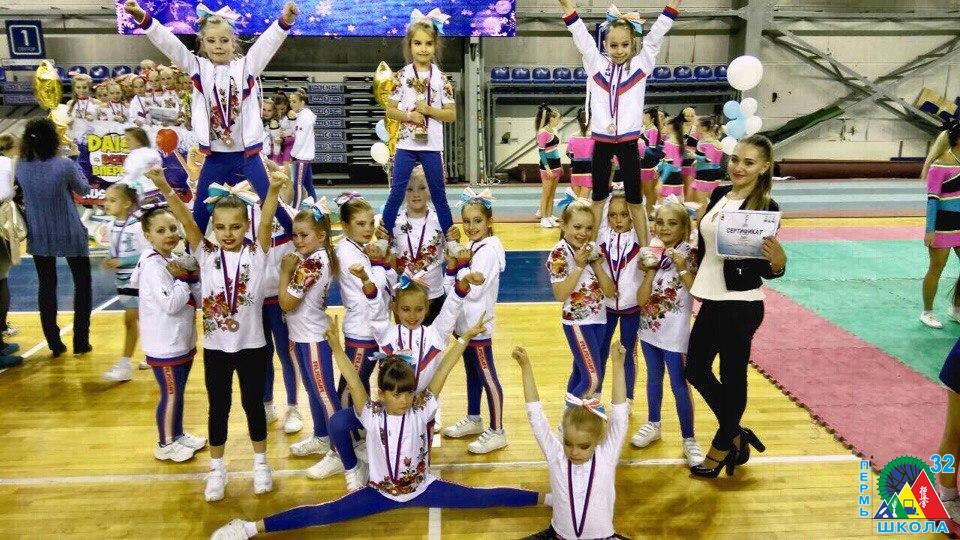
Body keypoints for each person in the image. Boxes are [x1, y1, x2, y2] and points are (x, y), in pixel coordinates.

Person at [210, 314, 543, 539]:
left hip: (424, 488)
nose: (403, 399)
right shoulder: (371, 413)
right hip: (378, 493)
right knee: (323, 514)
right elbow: (354, 382)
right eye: (395, 394)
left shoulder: (422, 408)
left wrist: (465, 338)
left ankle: (551, 498)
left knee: (484, 498)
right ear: (381, 393)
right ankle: (248, 528)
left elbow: (442, 372)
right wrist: (336, 348)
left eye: (408, 392)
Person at [147, 166, 284, 501]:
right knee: (218, 408)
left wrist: (273, 190)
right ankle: (217, 470)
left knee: (253, 406)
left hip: (253, 345)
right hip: (217, 349)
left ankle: (261, 464)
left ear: (246, 226)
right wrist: (163, 184)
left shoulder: (256, 252)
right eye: (220, 227)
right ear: (213, 227)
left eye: (235, 226)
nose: (227, 233)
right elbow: (186, 219)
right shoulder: (205, 253)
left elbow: (267, 221)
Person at [122, 0, 297, 234]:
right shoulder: (198, 68)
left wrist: (284, 22)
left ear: (233, 42)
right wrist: (143, 18)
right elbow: (170, 45)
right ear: (202, 43)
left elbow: (266, 44)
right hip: (215, 157)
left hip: (248, 156)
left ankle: (297, 239)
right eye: (211, 41)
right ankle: (192, 253)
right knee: (200, 213)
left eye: (224, 40)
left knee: (271, 202)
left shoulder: (246, 67)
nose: (218, 46)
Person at [684, 134, 787, 477]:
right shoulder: (718, 194)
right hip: (713, 298)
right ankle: (736, 434)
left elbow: (766, 267)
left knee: (732, 377)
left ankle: (722, 445)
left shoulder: (766, 207)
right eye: (736, 159)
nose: (739, 167)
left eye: (749, 162)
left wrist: (779, 263)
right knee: (695, 369)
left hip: (741, 304)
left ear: (764, 167)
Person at [557, 0, 681, 234]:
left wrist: (673, 6)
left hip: (629, 143)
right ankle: (592, 244)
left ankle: (644, 247)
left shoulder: (641, 65)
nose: (619, 50)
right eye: (613, 45)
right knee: (598, 197)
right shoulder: (595, 63)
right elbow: (581, 36)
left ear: (633, 44)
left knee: (635, 199)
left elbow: (655, 36)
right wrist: (567, 7)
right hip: (602, 143)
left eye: (625, 44)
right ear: (605, 44)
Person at [514, 344, 629, 540]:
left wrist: (618, 365)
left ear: (597, 440)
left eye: (583, 446)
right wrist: (526, 367)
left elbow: (619, 417)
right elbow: (536, 417)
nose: (574, 452)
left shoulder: (606, 456)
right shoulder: (556, 456)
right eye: (568, 443)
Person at [132, 206, 207, 462]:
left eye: (173, 228)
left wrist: (191, 277)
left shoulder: (171, 260)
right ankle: (165, 444)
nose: (169, 234)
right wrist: (183, 279)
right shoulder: (153, 267)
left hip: (181, 340)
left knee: (178, 393)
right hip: (165, 345)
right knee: (171, 394)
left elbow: (197, 299)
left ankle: (177, 434)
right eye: (161, 230)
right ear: (148, 235)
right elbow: (172, 304)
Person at [633, 201, 704, 466]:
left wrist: (683, 267)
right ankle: (653, 423)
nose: (664, 228)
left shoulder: (691, 254)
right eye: (660, 222)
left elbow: (698, 293)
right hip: (649, 328)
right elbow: (641, 300)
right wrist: (649, 272)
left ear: (685, 228)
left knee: (679, 384)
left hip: (675, 333)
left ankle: (689, 438)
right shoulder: (650, 253)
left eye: (672, 223)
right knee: (653, 377)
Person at [15, 118, 92, 357]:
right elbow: (84, 189)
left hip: (39, 233)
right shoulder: (65, 164)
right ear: (53, 139)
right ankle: (81, 342)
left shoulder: (20, 166)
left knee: (46, 286)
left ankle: (54, 343)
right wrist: (76, 159)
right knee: (83, 285)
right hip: (69, 231)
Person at [442, 189, 510, 454]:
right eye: (467, 221)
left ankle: (498, 430)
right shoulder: (471, 247)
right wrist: (453, 266)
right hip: (464, 325)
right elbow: (451, 288)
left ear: (489, 221)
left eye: (478, 221)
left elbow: (474, 290)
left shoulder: (489, 250)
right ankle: (474, 418)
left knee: (487, 376)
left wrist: (459, 264)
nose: (471, 227)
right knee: (472, 373)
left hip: (478, 326)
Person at [381, 8, 457, 237]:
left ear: (435, 46)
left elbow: (451, 115)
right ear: (410, 45)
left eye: (428, 43)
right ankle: (384, 238)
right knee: (396, 193)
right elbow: (390, 110)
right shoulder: (401, 76)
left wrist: (429, 110)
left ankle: (451, 240)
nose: (423, 48)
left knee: (439, 194)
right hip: (406, 145)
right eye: (418, 43)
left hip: (431, 146)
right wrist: (409, 116)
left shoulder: (441, 79)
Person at [547, 199, 616, 399]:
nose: (583, 233)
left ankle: (570, 416)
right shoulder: (559, 253)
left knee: (579, 373)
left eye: (588, 228)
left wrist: (596, 264)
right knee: (592, 379)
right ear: (563, 225)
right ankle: (569, 416)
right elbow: (560, 295)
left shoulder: (591, 250)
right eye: (577, 227)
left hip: (599, 320)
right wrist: (578, 266)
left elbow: (610, 292)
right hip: (577, 322)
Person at [596, 192, 647, 408]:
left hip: (631, 307)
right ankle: (595, 395)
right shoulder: (601, 237)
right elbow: (596, 209)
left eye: (624, 215)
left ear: (632, 216)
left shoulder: (640, 238)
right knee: (600, 351)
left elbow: (640, 212)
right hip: (605, 306)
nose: (618, 220)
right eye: (612, 215)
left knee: (628, 352)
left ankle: (627, 399)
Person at [101, 183, 149, 381]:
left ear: (128, 203)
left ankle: (125, 365)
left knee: (130, 320)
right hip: (122, 280)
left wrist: (121, 261)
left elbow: (147, 253)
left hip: (137, 279)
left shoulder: (137, 226)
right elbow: (114, 251)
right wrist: (110, 259)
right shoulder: (111, 226)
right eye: (106, 200)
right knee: (140, 320)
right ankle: (154, 352)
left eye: (112, 200)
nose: (106, 204)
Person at [390, 166, 449, 325]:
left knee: (433, 340)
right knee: (405, 340)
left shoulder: (441, 220)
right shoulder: (394, 222)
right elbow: (390, 260)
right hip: (404, 295)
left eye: (422, 188)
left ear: (430, 190)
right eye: (409, 189)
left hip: (433, 294)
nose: (416, 194)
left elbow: (452, 255)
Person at [921, 118, 960, 328]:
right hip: (943, 224)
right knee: (937, 267)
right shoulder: (939, 164)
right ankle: (927, 312)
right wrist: (930, 230)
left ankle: (956, 309)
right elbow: (932, 200)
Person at [0, 134, 22, 367]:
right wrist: (13, 192)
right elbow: (4, 194)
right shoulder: (6, 163)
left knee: (2, 279)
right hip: (1, 223)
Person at [287, 88, 317, 207]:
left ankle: (295, 209)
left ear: (302, 102)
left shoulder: (305, 117)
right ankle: (316, 207)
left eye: (294, 101)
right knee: (308, 185)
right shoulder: (301, 116)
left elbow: (300, 139)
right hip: (304, 155)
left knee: (298, 185)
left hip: (302, 156)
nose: (291, 104)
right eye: (290, 101)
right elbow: (295, 133)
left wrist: (292, 155)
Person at [536, 105, 563, 228]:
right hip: (547, 166)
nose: (559, 120)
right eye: (558, 118)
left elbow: (555, 149)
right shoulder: (543, 132)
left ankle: (550, 215)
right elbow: (541, 152)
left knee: (552, 192)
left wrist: (560, 165)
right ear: (551, 118)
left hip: (556, 165)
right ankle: (544, 217)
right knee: (546, 193)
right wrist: (547, 168)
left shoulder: (553, 130)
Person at [566, 107, 594, 200]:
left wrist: (577, 159)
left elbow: (569, 153)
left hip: (576, 171)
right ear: (590, 120)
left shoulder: (572, 137)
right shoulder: (594, 137)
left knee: (576, 202)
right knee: (583, 202)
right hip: (589, 171)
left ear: (578, 120)